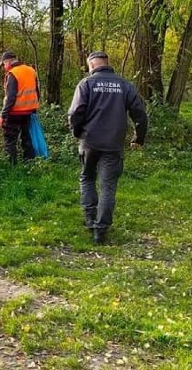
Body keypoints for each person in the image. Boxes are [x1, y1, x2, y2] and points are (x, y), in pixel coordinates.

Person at [67, 51, 148, 245]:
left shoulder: (86, 84)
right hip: (113, 143)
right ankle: (101, 230)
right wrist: (139, 138)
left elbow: (75, 113)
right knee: (108, 186)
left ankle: (89, 218)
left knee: (87, 177)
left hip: (89, 141)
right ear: (106, 63)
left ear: (92, 65)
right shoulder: (124, 85)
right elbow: (140, 115)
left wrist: (77, 133)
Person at [0, 51, 40, 164]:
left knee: (10, 140)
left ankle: (11, 167)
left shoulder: (13, 74)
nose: (4, 67)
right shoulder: (31, 70)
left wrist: (3, 115)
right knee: (27, 139)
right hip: (29, 112)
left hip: (14, 113)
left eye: (3, 64)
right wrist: (34, 109)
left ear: (8, 62)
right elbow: (37, 91)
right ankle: (29, 165)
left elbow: (10, 97)